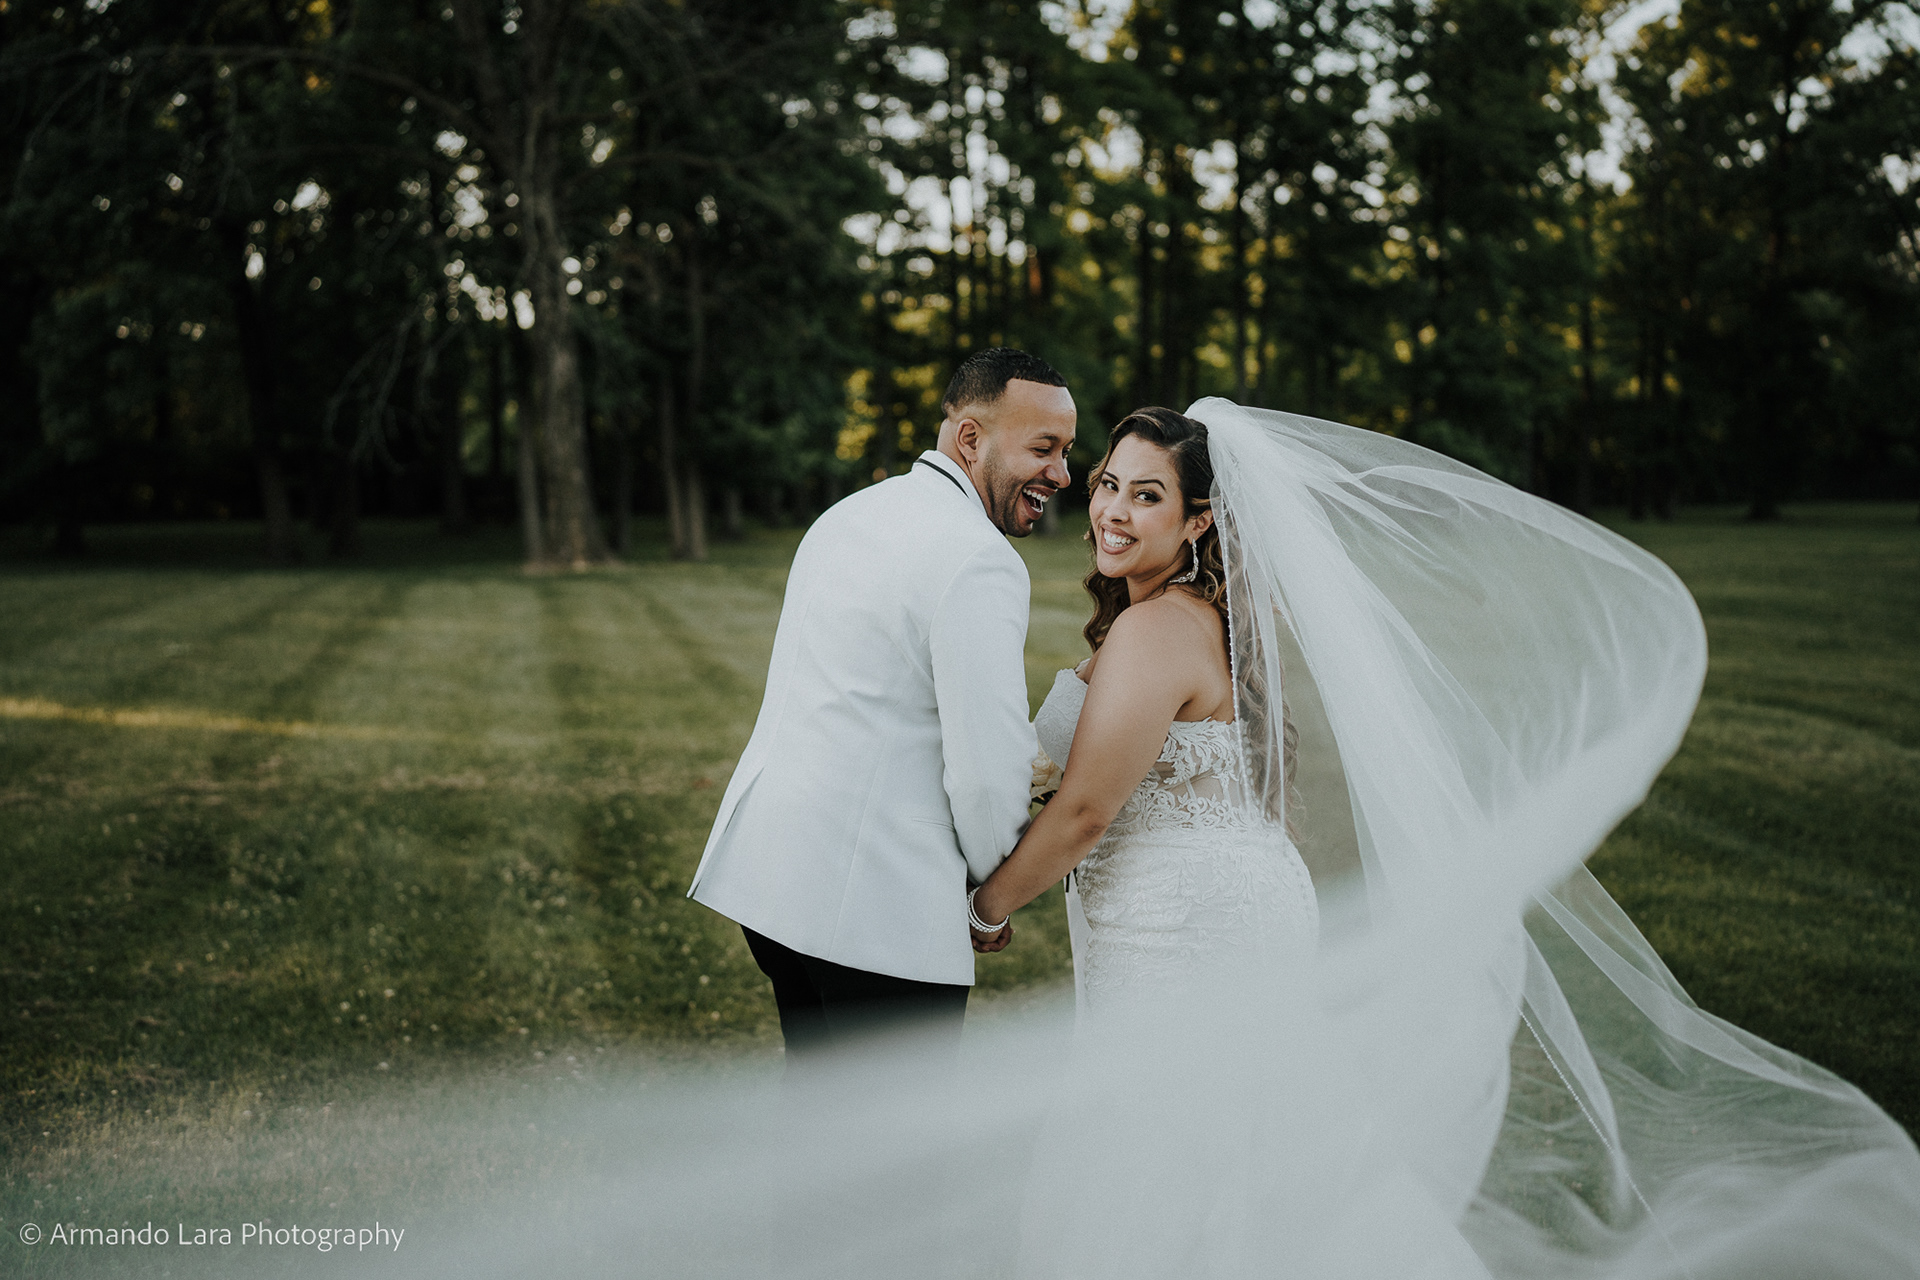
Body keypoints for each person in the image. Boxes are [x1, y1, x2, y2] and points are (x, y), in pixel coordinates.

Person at [685, 346, 1075, 1059]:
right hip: (876, 912)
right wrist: (993, 898)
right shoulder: (979, 559)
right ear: (970, 438)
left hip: (774, 881)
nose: (1062, 473)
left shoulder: (851, 513)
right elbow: (986, 774)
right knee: (898, 1133)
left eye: (1067, 452)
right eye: (1043, 448)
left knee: (822, 1111)